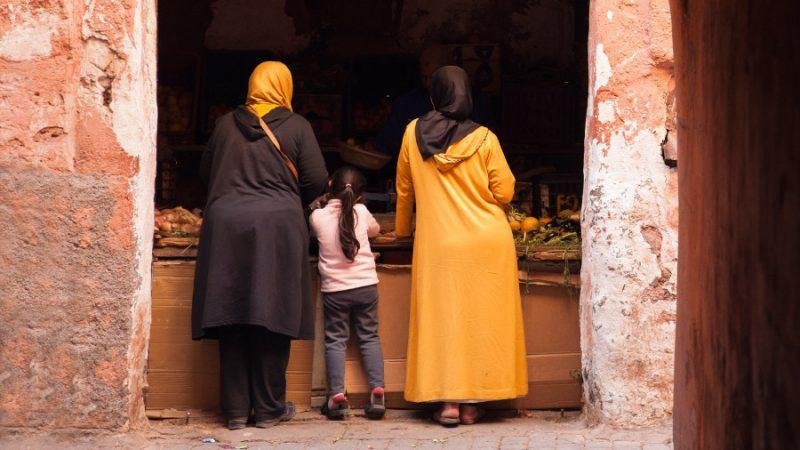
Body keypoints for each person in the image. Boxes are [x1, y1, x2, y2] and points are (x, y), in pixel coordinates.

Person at [191, 61, 328, 430]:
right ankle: (268, 409)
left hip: (226, 228)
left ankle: (235, 411)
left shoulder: (223, 125)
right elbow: (316, 180)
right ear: (285, 87)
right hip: (277, 230)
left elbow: (205, 173)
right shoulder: (298, 126)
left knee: (231, 314)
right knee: (273, 315)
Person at [394, 66, 528, 426]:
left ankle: (449, 403)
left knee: (445, 322)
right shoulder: (485, 139)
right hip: (486, 243)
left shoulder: (411, 134)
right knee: (481, 322)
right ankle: (472, 404)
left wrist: (403, 232)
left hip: (438, 244)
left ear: (435, 95)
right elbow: (505, 191)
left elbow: (403, 191)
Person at [309, 167, 386, 421]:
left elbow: (312, 214)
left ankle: (336, 396)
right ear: (360, 195)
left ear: (330, 187)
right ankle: (377, 391)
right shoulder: (361, 212)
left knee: (336, 341)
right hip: (365, 287)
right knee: (369, 338)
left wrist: (319, 202)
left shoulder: (318, 217)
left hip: (336, 291)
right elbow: (375, 231)